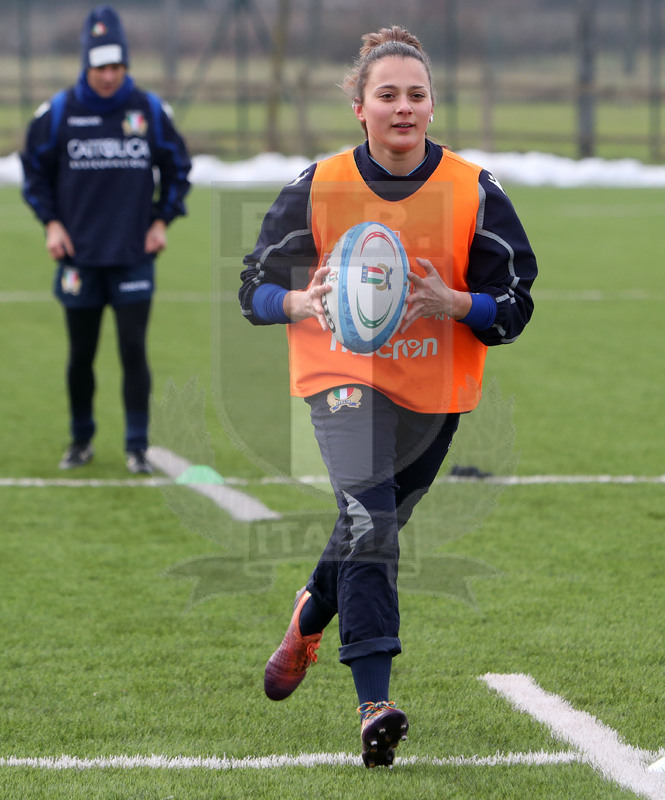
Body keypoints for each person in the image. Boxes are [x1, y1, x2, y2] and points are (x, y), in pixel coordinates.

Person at [239, 26, 537, 767]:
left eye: (416, 94)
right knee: (371, 523)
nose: (403, 107)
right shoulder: (319, 185)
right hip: (338, 379)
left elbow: (514, 303)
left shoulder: (473, 191)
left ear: (432, 106)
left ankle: (307, 617)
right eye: (387, 95)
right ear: (359, 106)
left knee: (366, 525)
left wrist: (455, 303)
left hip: (434, 391)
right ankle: (375, 702)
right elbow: (252, 287)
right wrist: (297, 305)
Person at [21, 5, 191, 474]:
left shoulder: (150, 111)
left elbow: (178, 171)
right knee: (81, 355)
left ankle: (137, 446)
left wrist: (162, 221)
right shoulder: (57, 113)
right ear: (86, 64)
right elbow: (34, 174)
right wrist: (51, 223)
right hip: (78, 258)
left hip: (134, 255)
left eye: (118, 66)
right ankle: (81, 441)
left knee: (133, 350)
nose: (110, 76)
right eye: (101, 67)